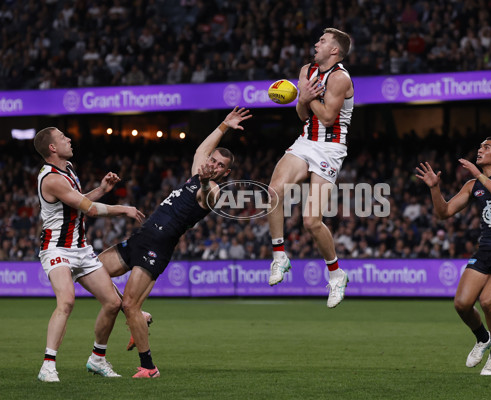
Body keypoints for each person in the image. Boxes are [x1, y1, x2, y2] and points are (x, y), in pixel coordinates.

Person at [98, 107, 251, 378]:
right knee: (93, 270)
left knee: (129, 305)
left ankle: (149, 367)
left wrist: (205, 182)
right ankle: (140, 319)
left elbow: (206, 197)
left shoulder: (213, 189)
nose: (213, 165)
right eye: (213, 160)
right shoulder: (198, 174)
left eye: (220, 165)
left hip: (157, 247)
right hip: (142, 237)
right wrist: (224, 125)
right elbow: (200, 152)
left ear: (226, 173)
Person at [33, 127, 145, 382]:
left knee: (113, 303)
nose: (69, 139)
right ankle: (47, 366)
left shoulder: (68, 168)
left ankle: (97, 359)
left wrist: (102, 189)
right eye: (63, 138)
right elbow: (91, 211)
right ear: (52, 148)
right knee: (67, 301)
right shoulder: (51, 178)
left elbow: (79, 202)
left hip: (81, 249)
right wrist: (123, 209)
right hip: (56, 249)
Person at [415, 137, 491, 376]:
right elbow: (444, 212)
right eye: (480, 146)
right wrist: (435, 188)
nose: (480, 149)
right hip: (485, 249)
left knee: (487, 301)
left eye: (487, 147)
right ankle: (482, 338)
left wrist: (479, 174)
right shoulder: (472, 185)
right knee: (462, 304)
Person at [267, 28, 354, 308]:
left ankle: (336, 274)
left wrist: (306, 96)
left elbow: (328, 117)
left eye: (323, 41)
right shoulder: (307, 69)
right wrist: (302, 98)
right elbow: (302, 113)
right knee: (273, 191)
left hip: (330, 147)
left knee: (311, 221)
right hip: (306, 141)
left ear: (335, 51)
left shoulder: (340, 78)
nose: (317, 43)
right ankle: (279, 256)